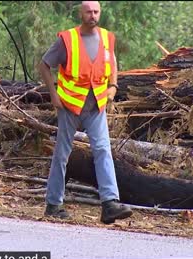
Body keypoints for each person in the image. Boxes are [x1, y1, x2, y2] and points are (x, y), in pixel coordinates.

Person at [37, 1, 132, 224]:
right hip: (70, 105)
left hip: (96, 105)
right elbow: (44, 65)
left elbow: (113, 62)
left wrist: (113, 86)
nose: (92, 15)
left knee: (103, 151)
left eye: (96, 12)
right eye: (88, 11)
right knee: (62, 154)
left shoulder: (107, 38)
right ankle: (53, 204)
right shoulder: (67, 39)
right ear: (81, 13)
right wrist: (53, 94)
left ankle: (110, 204)